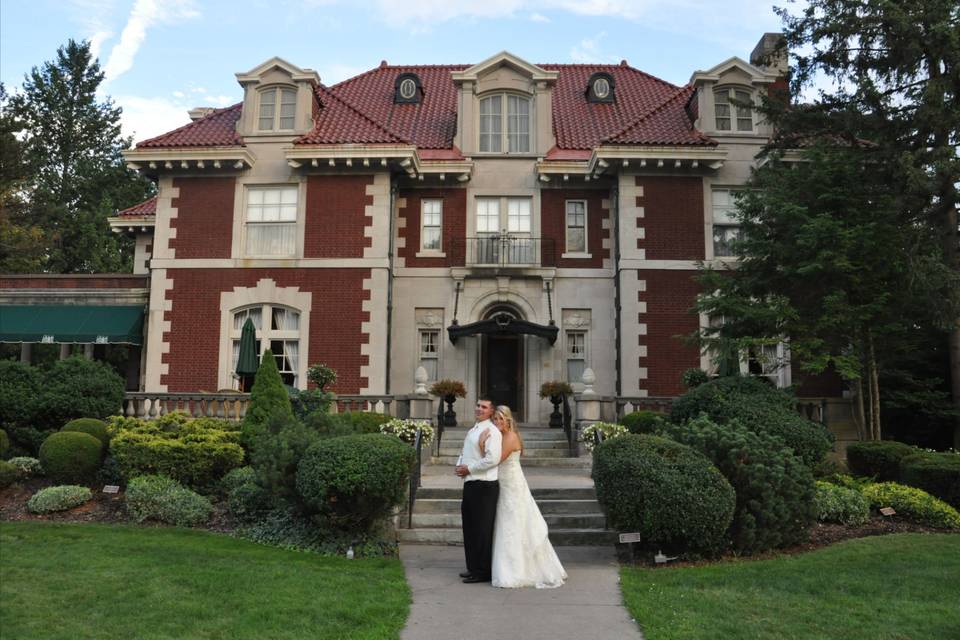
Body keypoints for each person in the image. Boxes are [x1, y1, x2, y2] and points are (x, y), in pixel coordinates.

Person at [480, 406, 567, 589]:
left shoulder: (510, 437)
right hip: (504, 483)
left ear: (509, 420)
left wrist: (482, 444)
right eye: (495, 419)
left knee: (513, 523)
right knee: (507, 523)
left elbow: (495, 459)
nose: (497, 422)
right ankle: (507, 566)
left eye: (501, 419)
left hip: (511, 485)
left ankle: (515, 571)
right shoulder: (502, 436)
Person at [454, 397, 502, 584]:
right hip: (471, 483)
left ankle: (482, 571)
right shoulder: (473, 429)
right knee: (470, 527)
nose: (479, 409)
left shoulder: (492, 432)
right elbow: (465, 453)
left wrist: (470, 469)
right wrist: (459, 466)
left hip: (485, 485)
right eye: (478, 406)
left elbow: (493, 459)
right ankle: (472, 567)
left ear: (491, 411)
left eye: (484, 407)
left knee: (482, 530)